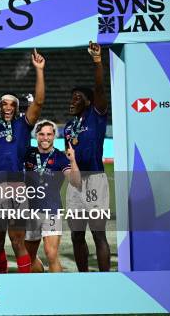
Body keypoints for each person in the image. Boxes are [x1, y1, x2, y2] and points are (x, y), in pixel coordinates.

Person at [0, 49, 46, 273]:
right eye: (4, 104)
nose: (8, 107)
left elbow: (38, 101)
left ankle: (23, 283)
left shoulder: (23, 125)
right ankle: (2, 279)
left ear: (18, 108)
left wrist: (39, 71)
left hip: (16, 187)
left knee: (17, 240)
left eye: (12, 104)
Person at [64, 42, 111, 272]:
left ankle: (105, 280)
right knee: (76, 235)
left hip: (95, 180)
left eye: (77, 97)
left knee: (98, 234)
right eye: (71, 97)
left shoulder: (96, 115)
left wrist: (97, 62)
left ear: (89, 102)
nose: (72, 101)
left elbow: (100, 89)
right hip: (75, 183)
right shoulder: (68, 128)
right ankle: (83, 279)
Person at [24, 120, 81, 273]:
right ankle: (39, 281)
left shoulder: (61, 158)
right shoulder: (28, 154)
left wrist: (73, 160)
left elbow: (75, 182)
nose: (45, 138)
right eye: (42, 134)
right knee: (29, 256)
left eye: (49, 134)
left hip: (51, 210)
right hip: (29, 211)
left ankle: (57, 290)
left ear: (54, 136)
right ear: (36, 135)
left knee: (51, 253)